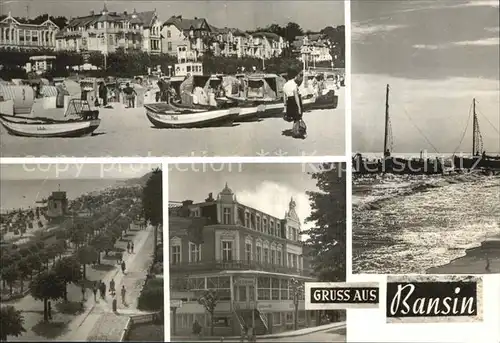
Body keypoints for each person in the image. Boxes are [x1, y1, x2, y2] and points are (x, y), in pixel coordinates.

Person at [283, 68, 306, 138]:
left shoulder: (285, 85)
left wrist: (285, 106)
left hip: (289, 102)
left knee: (295, 117)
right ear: (295, 76)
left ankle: (295, 130)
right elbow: (296, 96)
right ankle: (297, 131)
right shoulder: (294, 84)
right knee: (298, 117)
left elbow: (284, 97)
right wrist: (299, 107)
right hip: (295, 101)